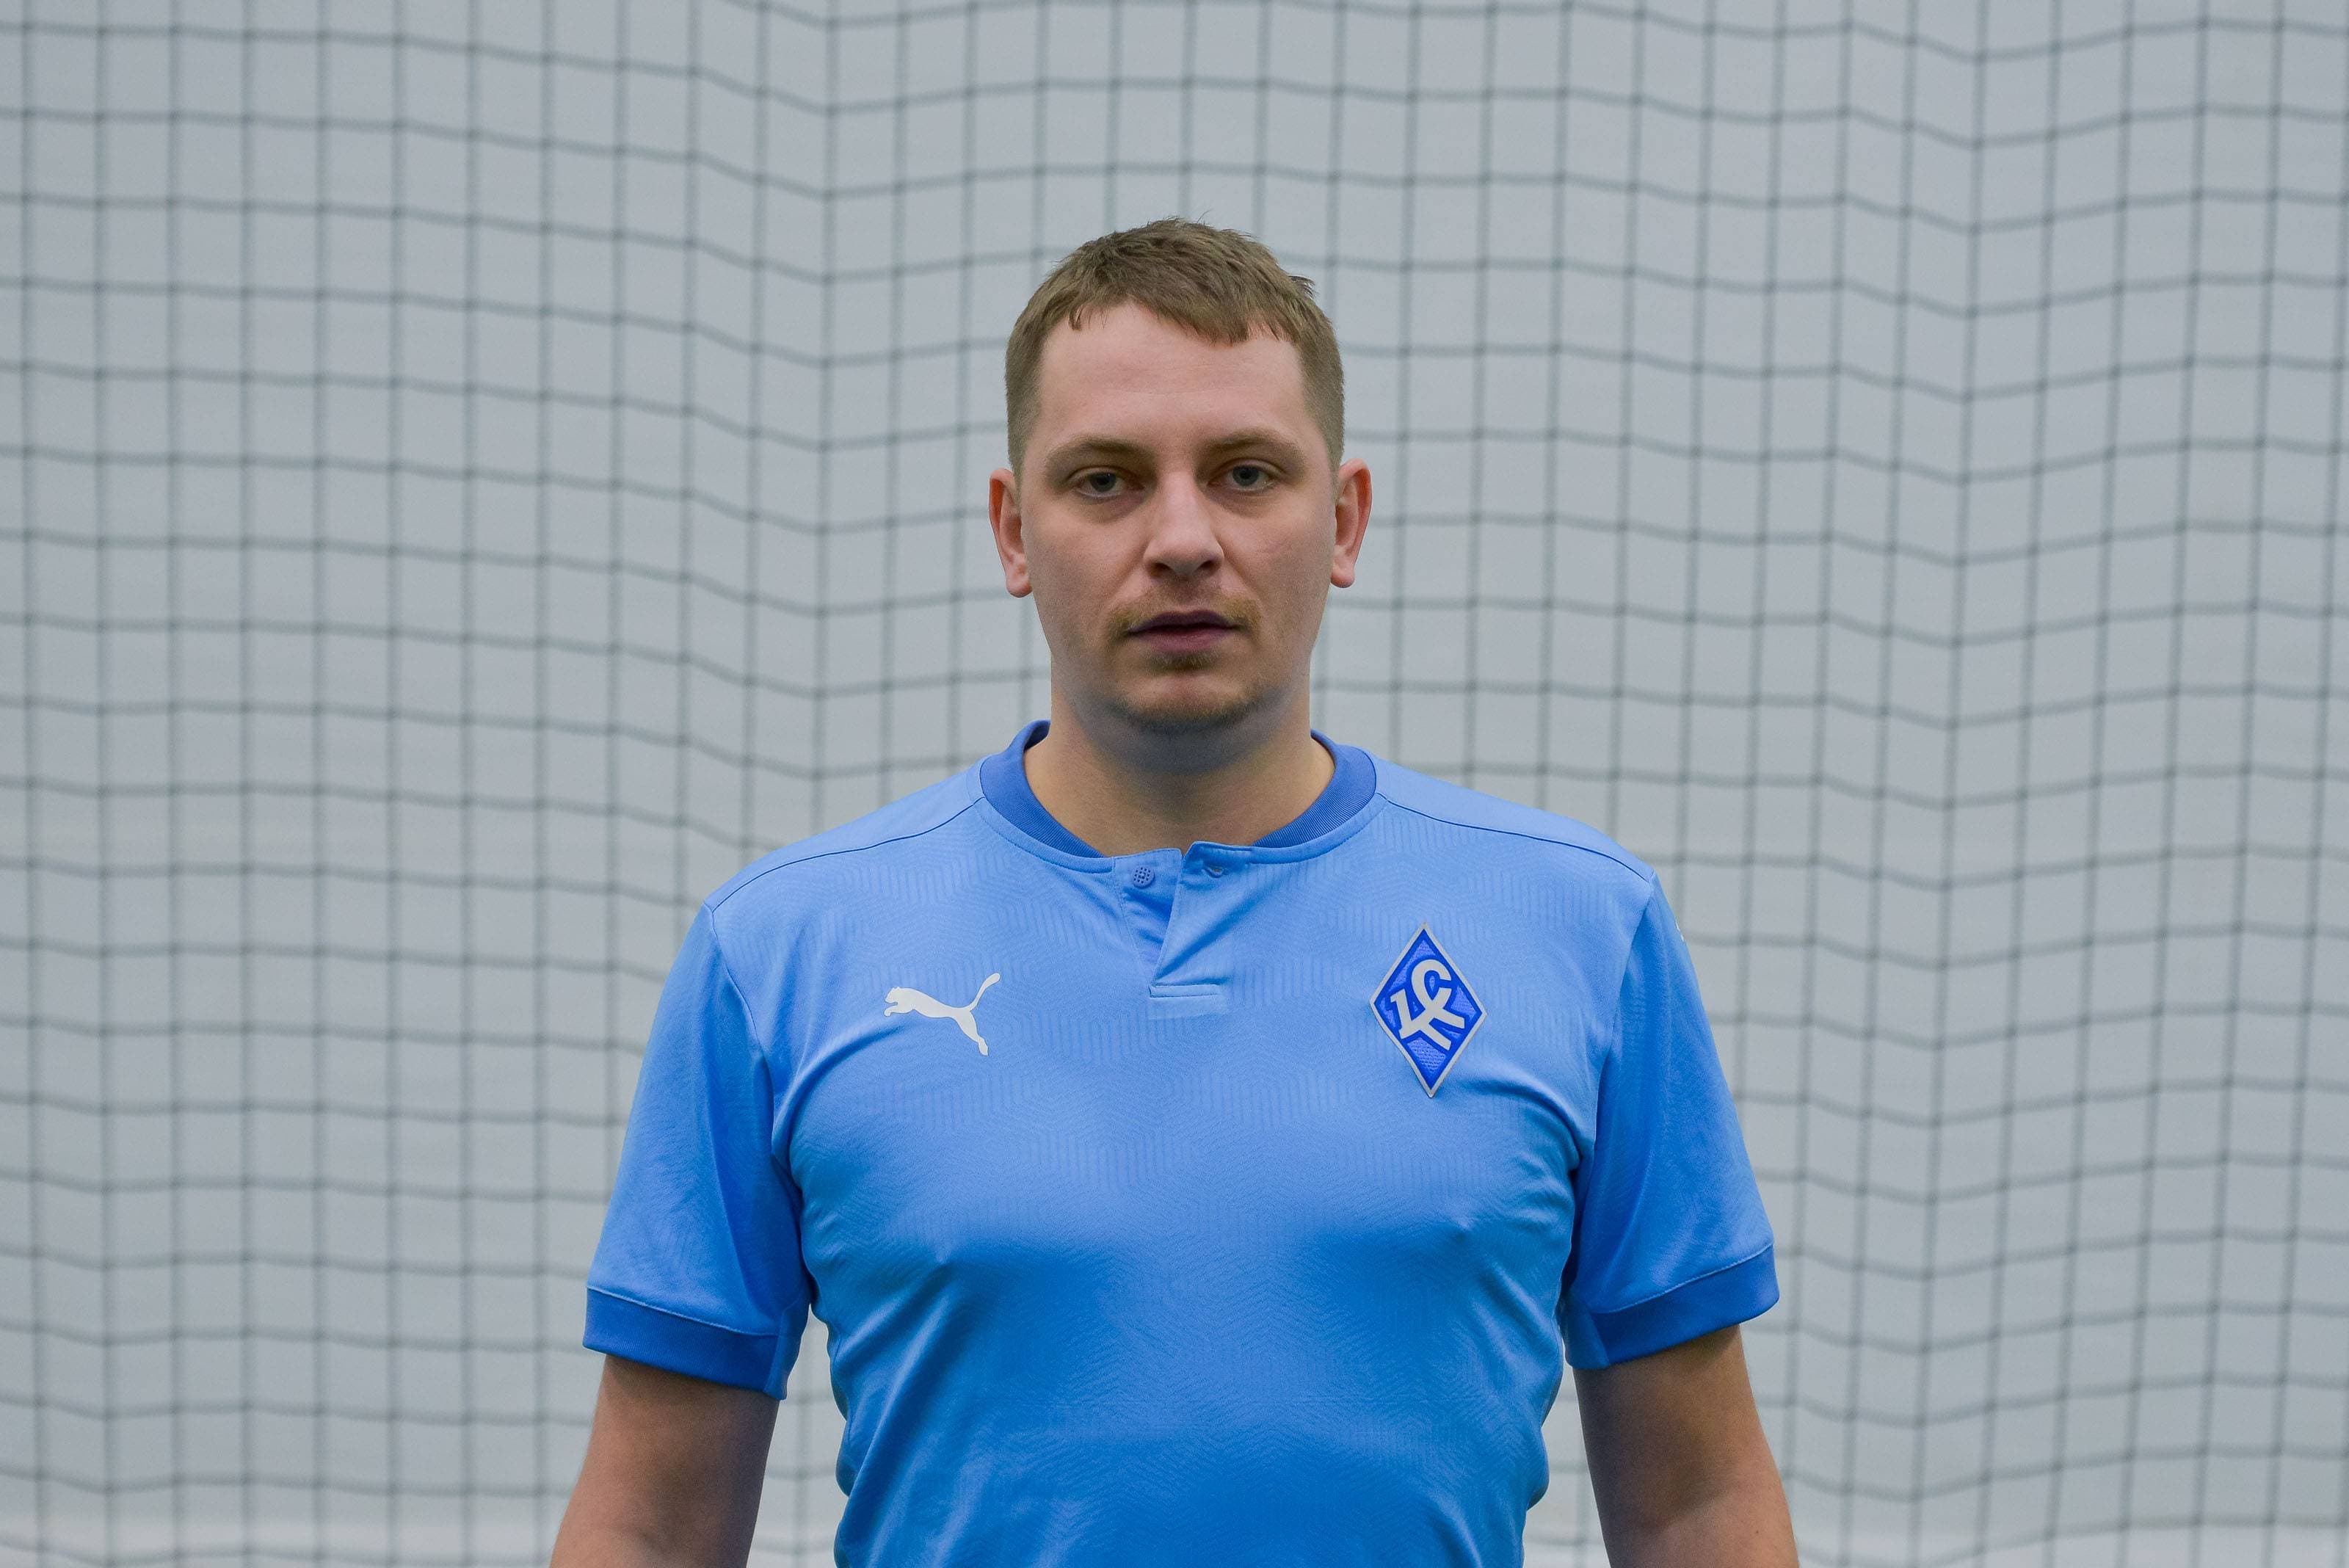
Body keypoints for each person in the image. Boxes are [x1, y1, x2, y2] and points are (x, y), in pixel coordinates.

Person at [551, 217, 1798, 1567]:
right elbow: (650, 1529)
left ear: (1345, 520)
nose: (1184, 539)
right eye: (1108, 481)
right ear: (1014, 531)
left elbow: (1696, 1507)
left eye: (1247, 474)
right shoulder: (782, 954)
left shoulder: (1582, 928)